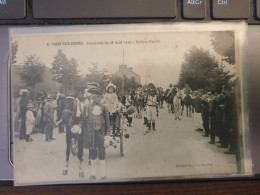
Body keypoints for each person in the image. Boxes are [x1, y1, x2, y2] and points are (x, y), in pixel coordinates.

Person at [83, 88, 110, 180]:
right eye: (95, 97)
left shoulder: (104, 107)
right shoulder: (87, 107)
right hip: (91, 134)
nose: (97, 99)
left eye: (98, 97)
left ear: (100, 97)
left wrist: (108, 135)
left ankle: (103, 175)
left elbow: (107, 122)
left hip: (101, 134)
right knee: (92, 153)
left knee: (102, 153)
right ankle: (93, 174)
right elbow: (84, 121)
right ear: (92, 97)